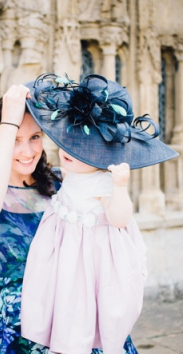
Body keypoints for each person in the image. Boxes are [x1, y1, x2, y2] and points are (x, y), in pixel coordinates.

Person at [0, 83, 139, 353]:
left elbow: (116, 219)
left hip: (77, 315)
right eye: (15, 140)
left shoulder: (63, 180)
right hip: (16, 322)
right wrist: (9, 119)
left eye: (35, 137)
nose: (28, 151)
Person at [20, 74, 178, 353]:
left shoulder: (103, 182)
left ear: (102, 156)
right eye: (68, 141)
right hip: (62, 252)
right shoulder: (70, 173)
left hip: (91, 257)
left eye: (82, 150)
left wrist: (119, 188)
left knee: (87, 303)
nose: (68, 151)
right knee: (60, 300)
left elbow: (120, 218)